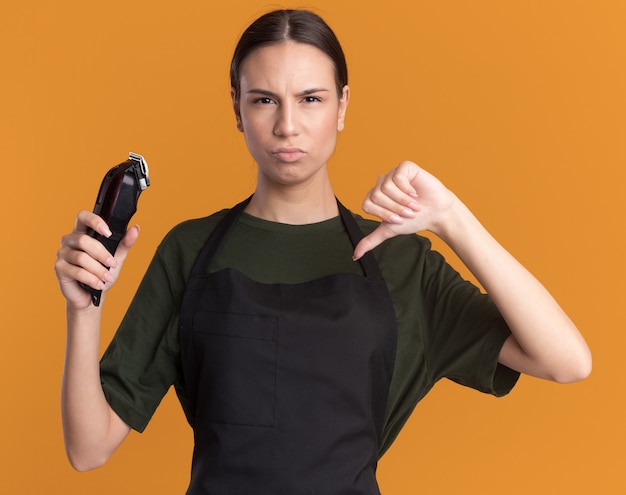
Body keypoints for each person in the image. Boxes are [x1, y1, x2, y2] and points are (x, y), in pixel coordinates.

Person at [54, 8, 591, 495]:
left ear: (342, 106)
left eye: (311, 99)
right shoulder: (189, 252)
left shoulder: (400, 263)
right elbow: (88, 448)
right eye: (264, 100)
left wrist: (453, 219)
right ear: (238, 110)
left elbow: (566, 361)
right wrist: (84, 310)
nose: (288, 125)